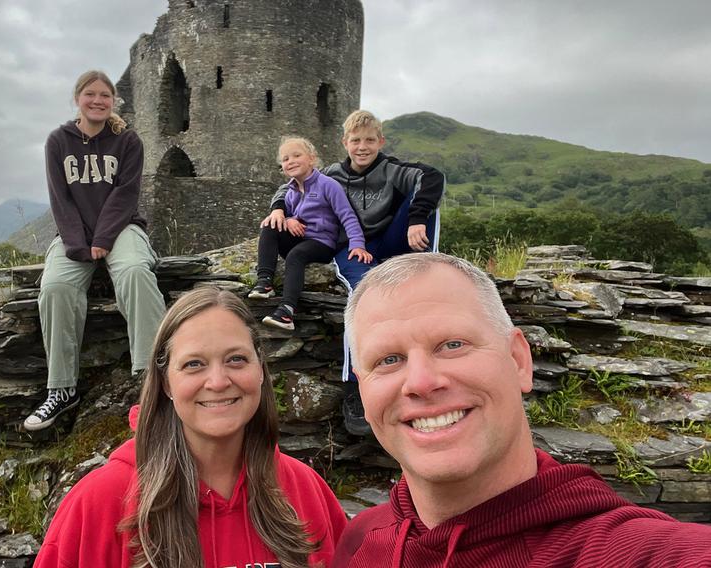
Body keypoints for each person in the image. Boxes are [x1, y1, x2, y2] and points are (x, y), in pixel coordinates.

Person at [331, 253, 711, 567]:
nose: (420, 382)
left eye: (452, 344)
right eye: (388, 359)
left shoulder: (641, 553)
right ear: (363, 391)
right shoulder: (360, 543)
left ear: (518, 360)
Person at [35, 287, 348, 567]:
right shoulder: (100, 502)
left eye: (236, 359)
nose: (218, 381)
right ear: (166, 384)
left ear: (261, 370)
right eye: (193, 364)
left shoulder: (304, 488)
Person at [268, 110, 445, 436]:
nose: (362, 147)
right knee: (365, 296)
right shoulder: (332, 173)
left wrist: (417, 216)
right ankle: (356, 386)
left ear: (380, 141)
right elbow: (291, 183)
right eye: (355, 141)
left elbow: (432, 178)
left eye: (368, 140)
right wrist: (278, 207)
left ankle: (425, 270)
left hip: (390, 240)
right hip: (351, 247)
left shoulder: (392, 169)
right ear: (345, 143)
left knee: (426, 193)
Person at [23, 70, 166, 431]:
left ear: (113, 100)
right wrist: (77, 244)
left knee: (135, 271)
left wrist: (102, 238)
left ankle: (154, 379)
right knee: (55, 287)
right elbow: (61, 198)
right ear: (78, 99)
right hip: (74, 235)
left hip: (122, 228)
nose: (98, 100)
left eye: (105, 95)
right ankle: (61, 388)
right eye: (91, 94)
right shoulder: (58, 141)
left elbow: (125, 194)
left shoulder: (128, 141)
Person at [250, 136, 371, 331]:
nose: (291, 161)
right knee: (270, 225)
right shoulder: (290, 192)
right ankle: (264, 282)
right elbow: (288, 215)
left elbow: (347, 216)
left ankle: (287, 311)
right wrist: (288, 220)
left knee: (296, 255)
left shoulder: (328, 184)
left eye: (297, 155)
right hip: (299, 238)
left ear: (312, 159)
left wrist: (357, 244)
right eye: (286, 159)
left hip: (321, 243)